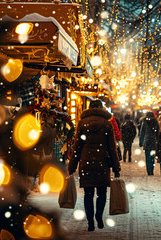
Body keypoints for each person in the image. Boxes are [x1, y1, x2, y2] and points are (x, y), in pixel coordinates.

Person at [68, 99, 121, 231]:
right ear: (101, 108)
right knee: (101, 192)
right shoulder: (107, 124)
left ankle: (90, 220)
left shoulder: (82, 123)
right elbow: (112, 148)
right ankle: (99, 215)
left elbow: (77, 147)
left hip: (86, 163)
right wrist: (116, 167)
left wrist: (72, 166)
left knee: (88, 193)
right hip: (102, 163)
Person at [139, 111, 159, 176]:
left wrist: (141, 142)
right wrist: (157, 140)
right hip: (153, 140)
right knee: (152, 157)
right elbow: (157, 132)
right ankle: (152, 170)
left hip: (147, 140)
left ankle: (148, 170)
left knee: (147, 157)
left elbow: (142, 132)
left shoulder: (144, 122)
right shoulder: (156, 122)